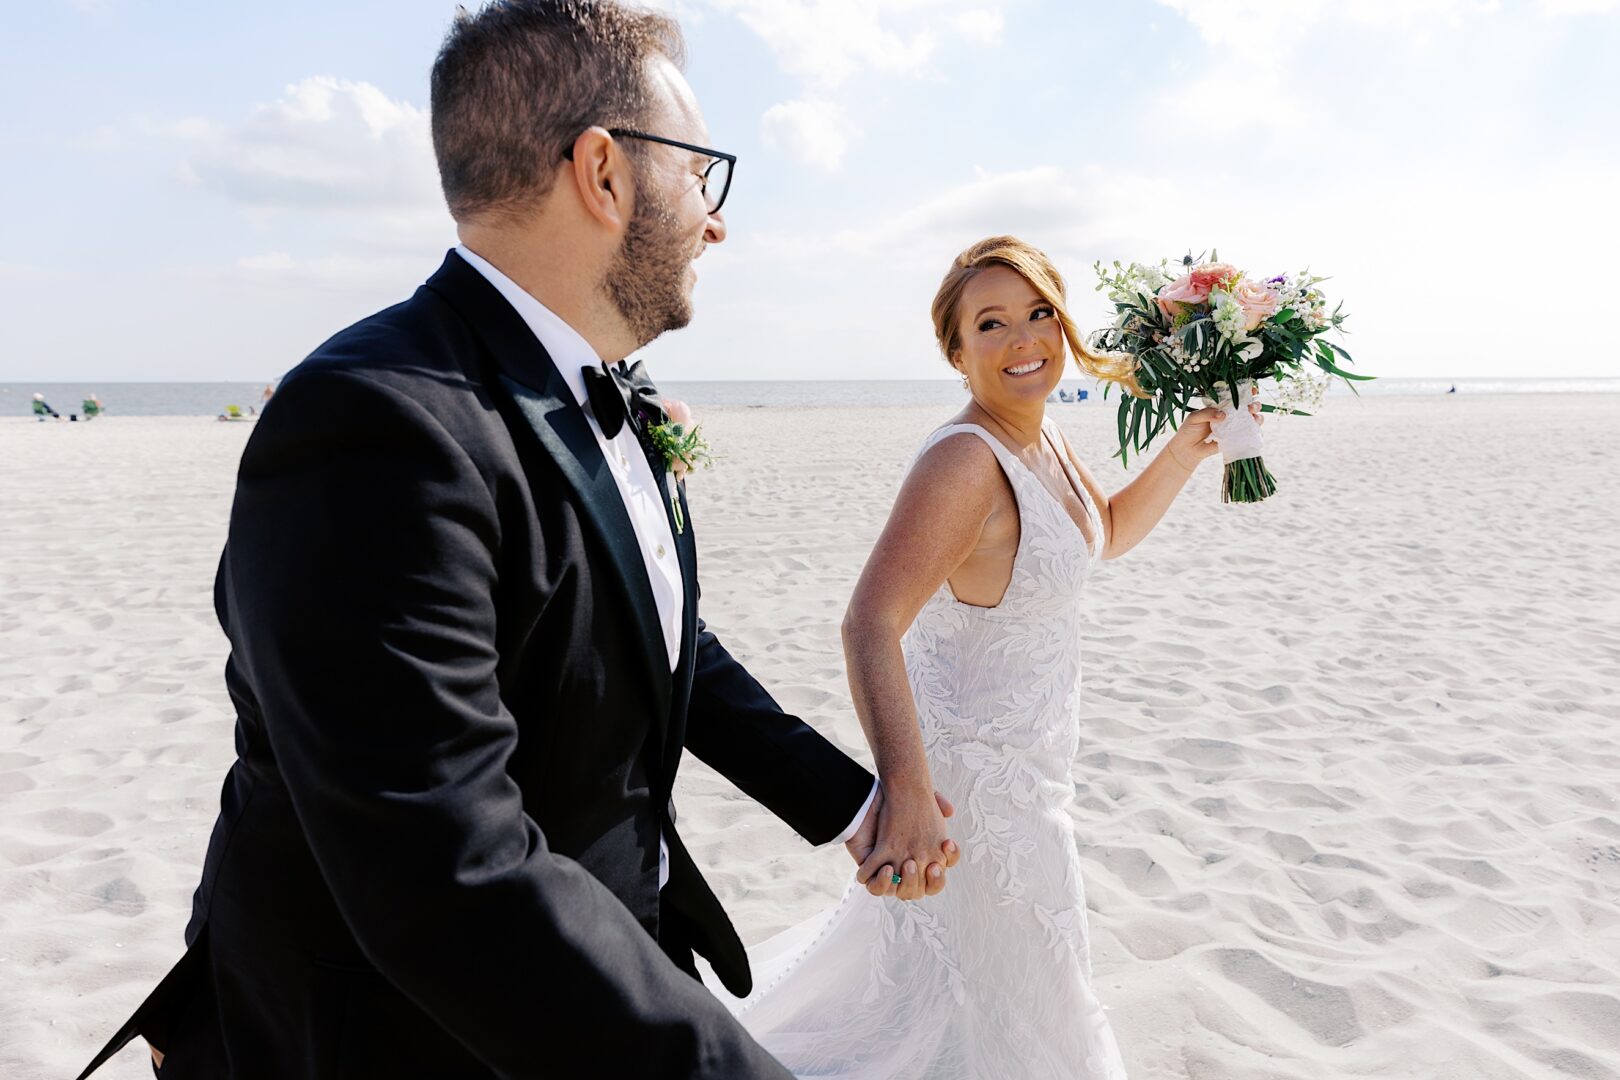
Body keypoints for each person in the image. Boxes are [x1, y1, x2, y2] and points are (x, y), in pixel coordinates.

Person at [73, 4, 955, 1078]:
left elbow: (658, 633)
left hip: (594, 979)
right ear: (604, 172)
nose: (716, 222)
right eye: (701, 174)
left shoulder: (583, 388)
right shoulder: (376, 426)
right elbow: (446, 866)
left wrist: (856, 801)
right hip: (412, 1036)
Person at [711, 236, 1261, 1078]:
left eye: (1039, 314)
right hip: (972, 796)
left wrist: (1185, 451)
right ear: (958, 351)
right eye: (992, 323)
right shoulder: (966, 460)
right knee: (1031, 1010)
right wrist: (905, 794)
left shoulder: (1041, 437)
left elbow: (1101, 533)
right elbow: (868, 624)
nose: (1024, 340)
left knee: (988, 1007)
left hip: (1035, 772)